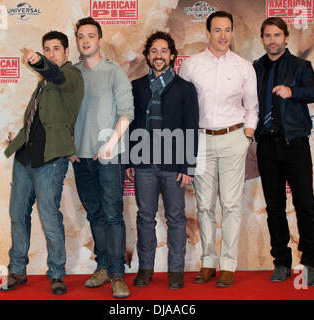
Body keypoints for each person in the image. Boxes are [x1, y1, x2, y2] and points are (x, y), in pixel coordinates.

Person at [179, 11, 258, 287]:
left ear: (232, 32)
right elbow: (183, 107)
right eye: (217, 30)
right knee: (204, 205)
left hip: (233, 138)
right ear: (207, 32)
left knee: (232, 204)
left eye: (228, 30)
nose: (223, 36)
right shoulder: (190, 66)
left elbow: (252, 108)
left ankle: (228, 265)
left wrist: (246, 138)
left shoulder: (243, 67)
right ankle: (208, 262)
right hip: (200, 140)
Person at [2, 31, 84, 295]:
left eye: (56, 49)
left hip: (50, 160)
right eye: (46, 50)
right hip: (25, 157)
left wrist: (38, 62)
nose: (51, 54)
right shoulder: (43, 84)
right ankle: (17, 270)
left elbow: (56, 75)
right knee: (17, 215)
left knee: (49, 218)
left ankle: (57, 273)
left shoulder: (71, 76)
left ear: (67, 52)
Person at [126, 31, 199, 290]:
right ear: (148, 56)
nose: (159, 55)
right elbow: (131, 125)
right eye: (154, 51)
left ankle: (176, 272)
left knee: (176, 217)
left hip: (173, 166)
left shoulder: (185, 89)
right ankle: (145, 269)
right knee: (145, 216)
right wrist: (130, 161)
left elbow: (191, 128)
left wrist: (188, 166)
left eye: (164, 50)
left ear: (172, 55)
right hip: (144, 163)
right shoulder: (136, 87)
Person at [253, 17, 314, 286]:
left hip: (296, 144)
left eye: (277, 35)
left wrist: (291, 91)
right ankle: (281, 261)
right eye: (268, 35)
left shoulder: (301, 66)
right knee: (274, 207)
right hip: (267, 145)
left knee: (305, 204)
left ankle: (311, 263)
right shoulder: (256, 67)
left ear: (286, 38)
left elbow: (313, 93)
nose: (272, 40)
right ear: (262, 39)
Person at [71, 17, 134, 298]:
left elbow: (127, 112)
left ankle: (118, 275)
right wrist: (68, 147)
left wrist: (110, 144)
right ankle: (103, 267)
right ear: (77, 41)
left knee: (112, 215)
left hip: (110, 156)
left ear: (100, 40)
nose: (86, 40)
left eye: (91, 36)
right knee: (95, 214)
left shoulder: (114, 72)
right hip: (81, 158)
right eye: (81, 36)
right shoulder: (72, 74)